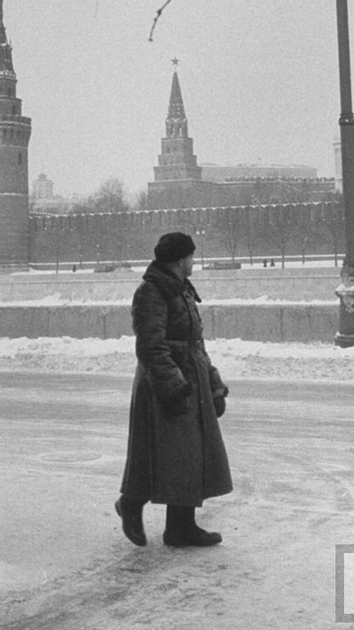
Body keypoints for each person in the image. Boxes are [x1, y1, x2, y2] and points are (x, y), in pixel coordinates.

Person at [115, 232, 233, 548]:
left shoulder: (181, 291)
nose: (195, 262)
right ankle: (130, 503)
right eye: (192, 257)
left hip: (188, 381)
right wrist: (175, 387)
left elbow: (197, 345)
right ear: (181, 259)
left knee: (187, 457)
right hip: (163, 387)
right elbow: (151, 347)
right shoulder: (152, 293)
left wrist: (214, 385)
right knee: (161, 455)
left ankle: (180, 527)